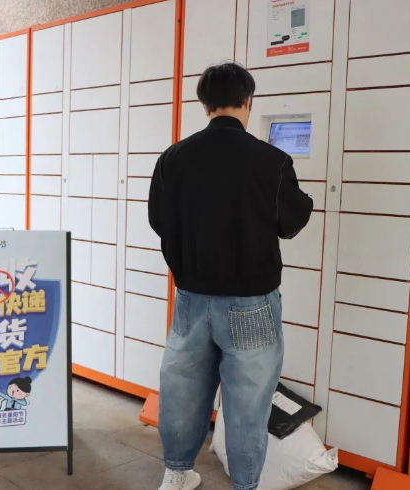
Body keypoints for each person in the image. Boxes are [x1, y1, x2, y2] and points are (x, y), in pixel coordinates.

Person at [148, 62, 314, 490]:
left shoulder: (173, 158)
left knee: (183, 390)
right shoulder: (272, 161)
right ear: (247, 101)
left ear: (205, 105)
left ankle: (176, 475)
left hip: (191, 297)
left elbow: (159, 221)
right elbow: (292, 220)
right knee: (247, 403)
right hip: (251, 303)